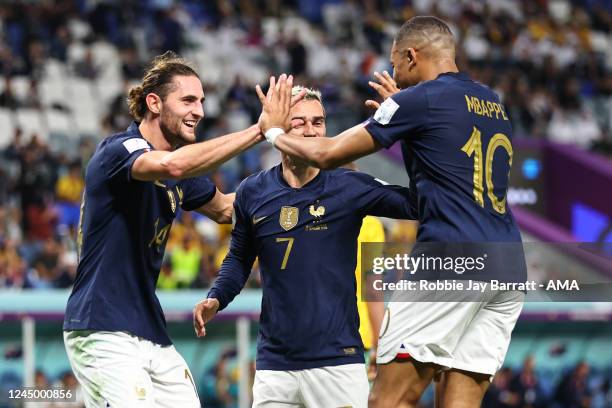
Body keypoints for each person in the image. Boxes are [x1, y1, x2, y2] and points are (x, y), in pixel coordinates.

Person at [256, 16, 525, 408]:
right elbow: (443, 167)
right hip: (508, 264)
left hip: (450, 258)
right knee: (460, 401)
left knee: (390, 400)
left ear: (412, 56)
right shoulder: (492, 102)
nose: (395, 76)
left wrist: (273, 132)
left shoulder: (419, 99)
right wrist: (405, 122)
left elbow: (328, 154)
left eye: (396, 64)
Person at [62, 51, 265, 407]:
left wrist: (298, 180)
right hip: (102, 325)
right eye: (188, 100)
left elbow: (225, 209)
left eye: (201, 101)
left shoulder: (181, 174)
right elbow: (170, 166)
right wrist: (260, 131)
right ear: (154, 103)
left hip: (150, 330)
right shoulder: (119, 151)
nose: (199, 111)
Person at [193, 85, 417, 408]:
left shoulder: (349, 188)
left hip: (338, 364)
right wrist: (216, 297)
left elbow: (416, 204)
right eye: (300, 123)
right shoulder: (252, 192)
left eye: (318, 122)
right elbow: (239, 260)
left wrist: (408, 134)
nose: (311, 131)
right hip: (275, 367)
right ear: (278, 129)